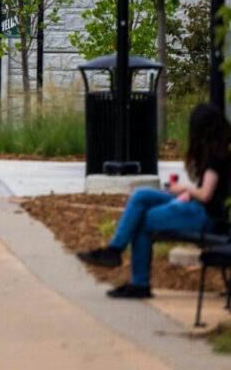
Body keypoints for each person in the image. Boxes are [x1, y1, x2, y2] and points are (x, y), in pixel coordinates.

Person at [77, 103, 231, 298]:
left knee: (142, 220)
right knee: (142, 195)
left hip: (206, 217)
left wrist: (184, 189)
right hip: (197, 208)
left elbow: (206, 195)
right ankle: (115, 250)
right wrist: (185, 193)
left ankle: (136, 280)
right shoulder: (219, 152)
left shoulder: (217, 157)